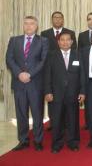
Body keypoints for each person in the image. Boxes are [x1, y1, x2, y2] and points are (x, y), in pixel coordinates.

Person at [6, 16, 49, 151]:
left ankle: (38, 140)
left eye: (31, 24)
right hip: (19, 83)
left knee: (37, 114)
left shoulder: (43, 41)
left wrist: (29, 74)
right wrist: (19, 73)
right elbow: (9, 59)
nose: (28, 26)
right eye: (26, 23)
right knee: (21, 114)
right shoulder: (14, 40)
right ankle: (23, 140)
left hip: (35, 83)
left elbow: (43, 61)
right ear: (23, 25)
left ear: (36, 26)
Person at [44, 32, 85, 153]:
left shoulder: (77, 54)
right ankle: (57, 144)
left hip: (73, 93)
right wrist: (48, 91)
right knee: (56, 120)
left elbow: (82, 74)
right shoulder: (51, 55)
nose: (65, 42)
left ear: (72, 42)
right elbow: (47, 75)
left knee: (73, 119)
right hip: (56, 94)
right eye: (62, 40)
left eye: (68, 40)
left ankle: (73, 142)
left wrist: (82, 91)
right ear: (58, 42)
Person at [41, 11, 77, 130]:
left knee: (69, 110)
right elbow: (43, 53)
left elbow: (75, 54)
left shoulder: (70, 33)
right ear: (52, 19)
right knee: (55, 108)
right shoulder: (44, 33)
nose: (57, 20)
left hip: (69, 75)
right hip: (54, 73)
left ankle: (67, 126)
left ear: (63, 20)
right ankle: (54, 125)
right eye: (55, 18)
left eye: (60, 18)